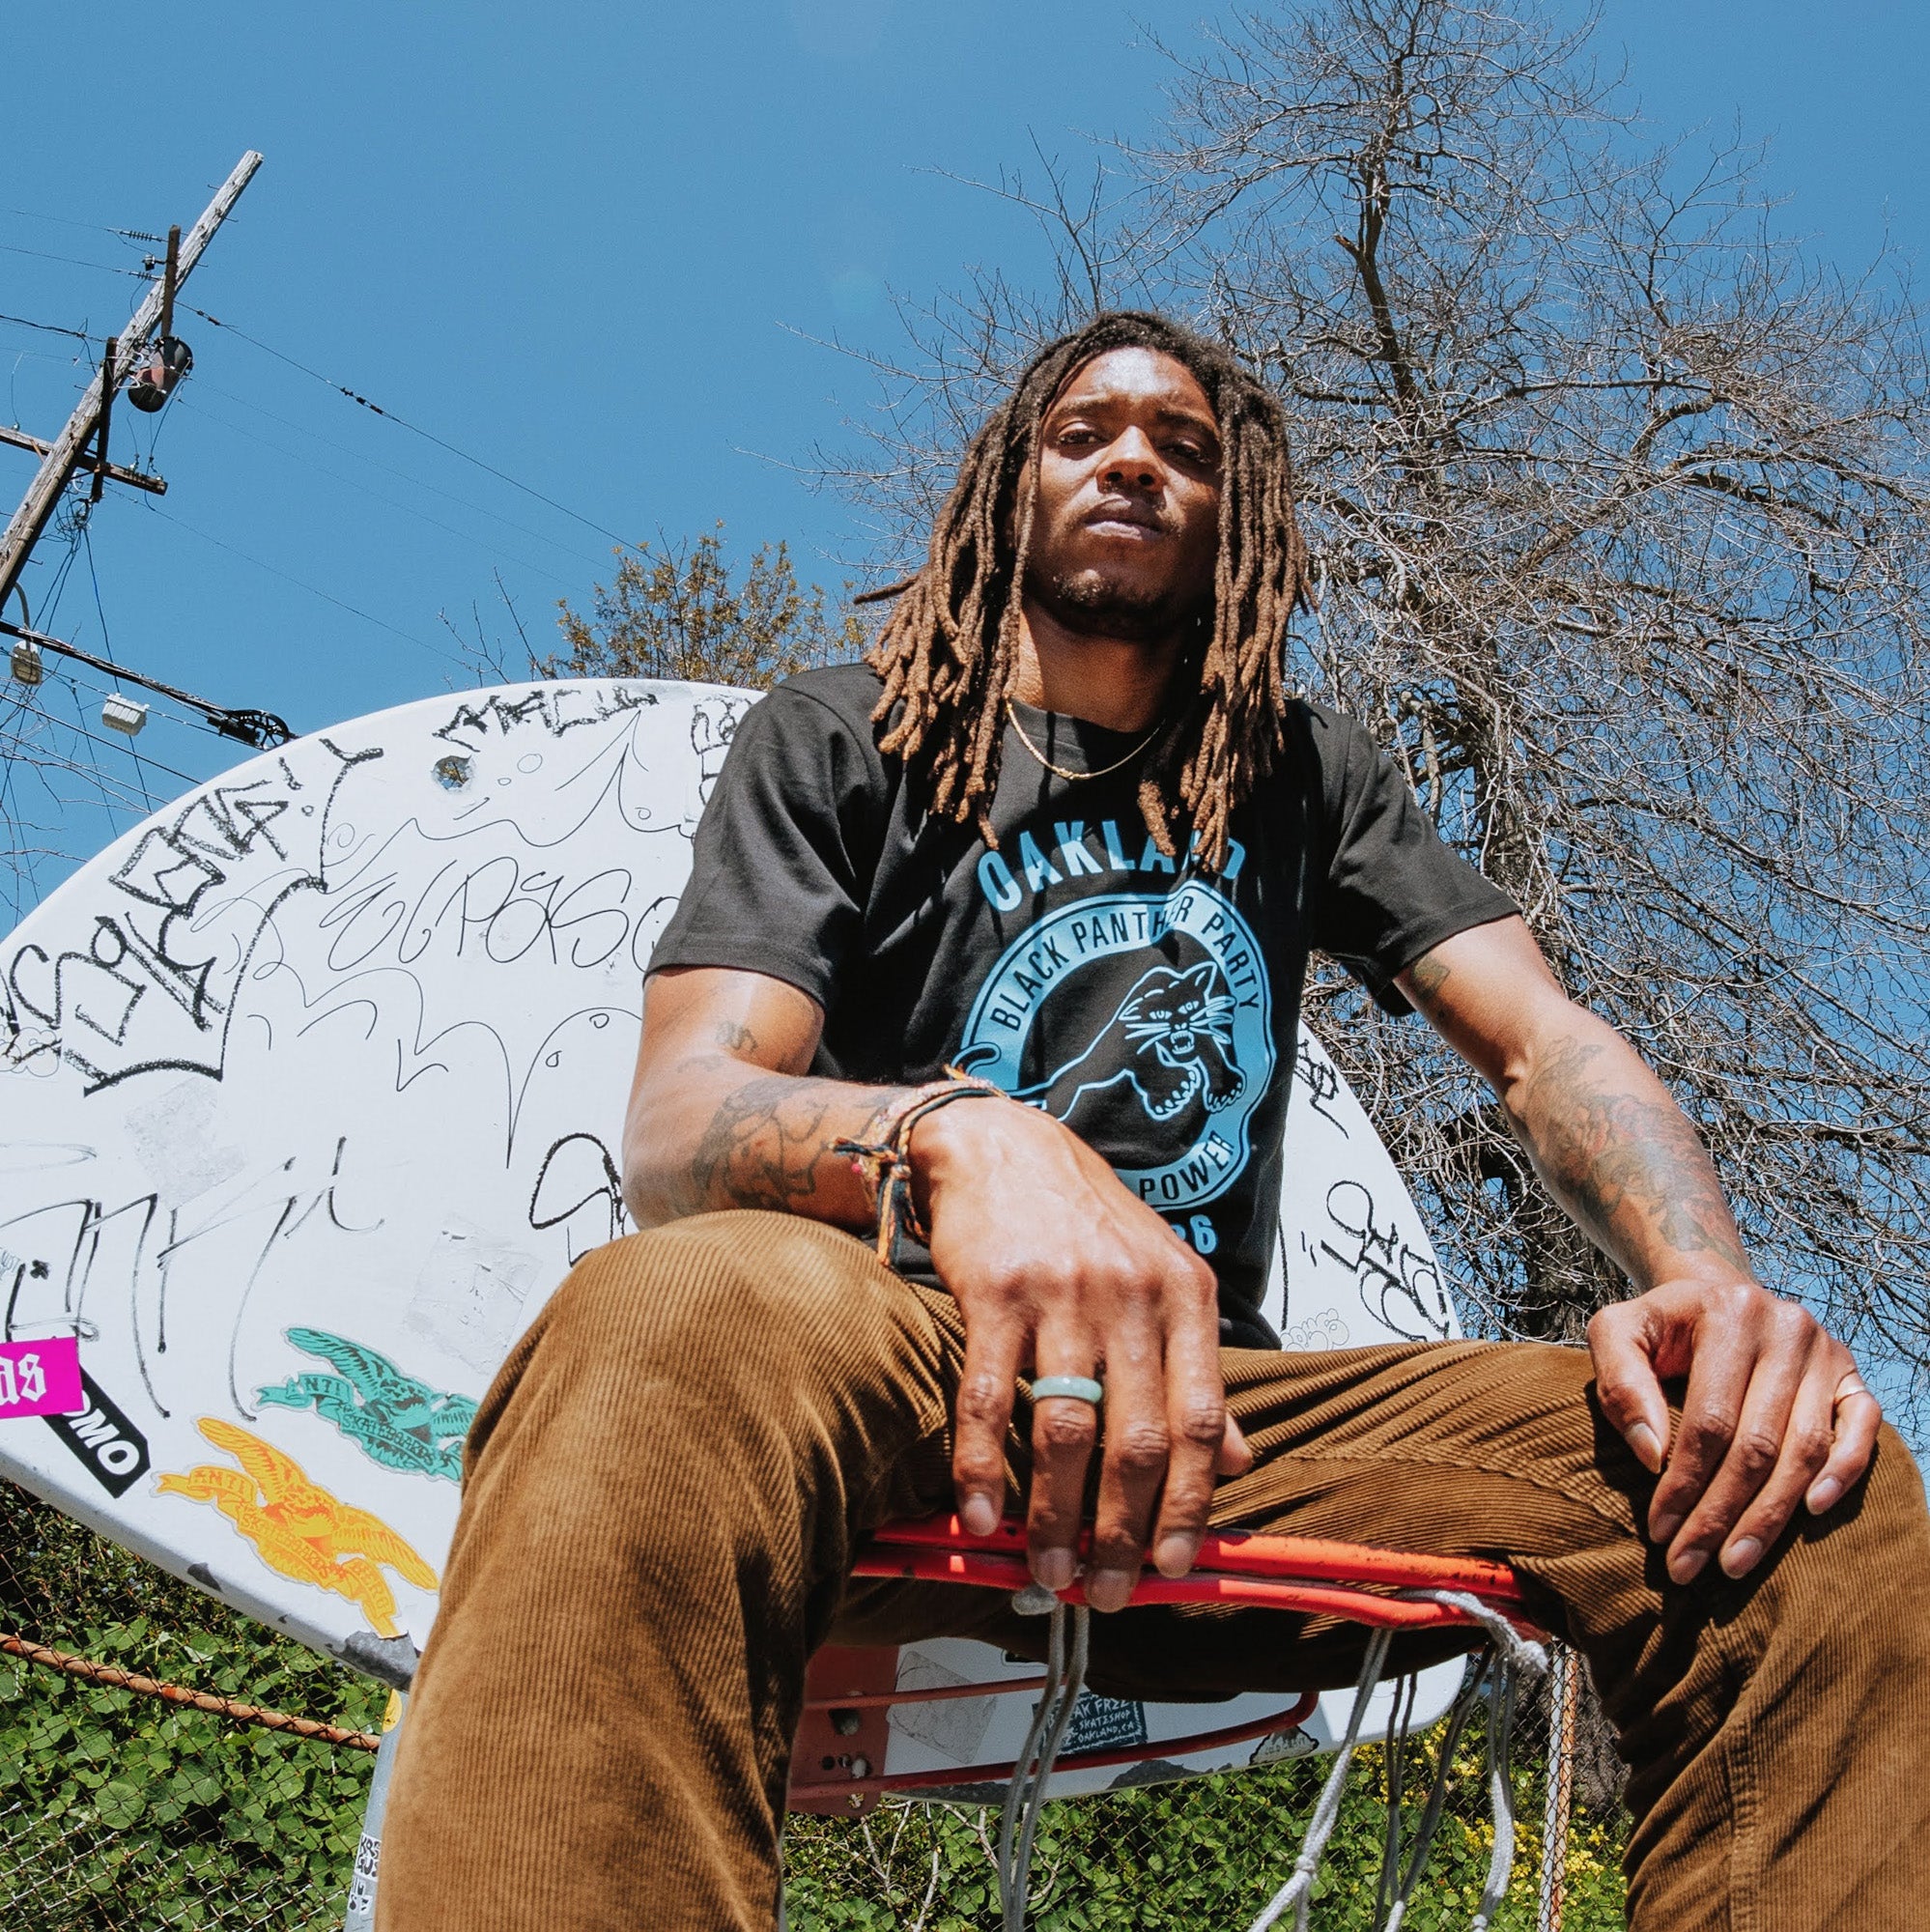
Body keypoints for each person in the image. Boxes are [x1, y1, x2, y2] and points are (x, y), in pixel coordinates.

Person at [376, 312, 1928, 1932]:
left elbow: (1540, 1043)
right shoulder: (844, 733)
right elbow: (685, 1118)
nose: (1133, 457)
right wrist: (955, 1140)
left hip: (1218, 1425)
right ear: (1008, 487)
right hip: (892, 1364)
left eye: (1185, 447)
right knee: (665, 1303)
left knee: (1790, 1473)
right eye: (1086, 431)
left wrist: (1713, 1293)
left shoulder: (1298, 769)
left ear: (1237, 520)